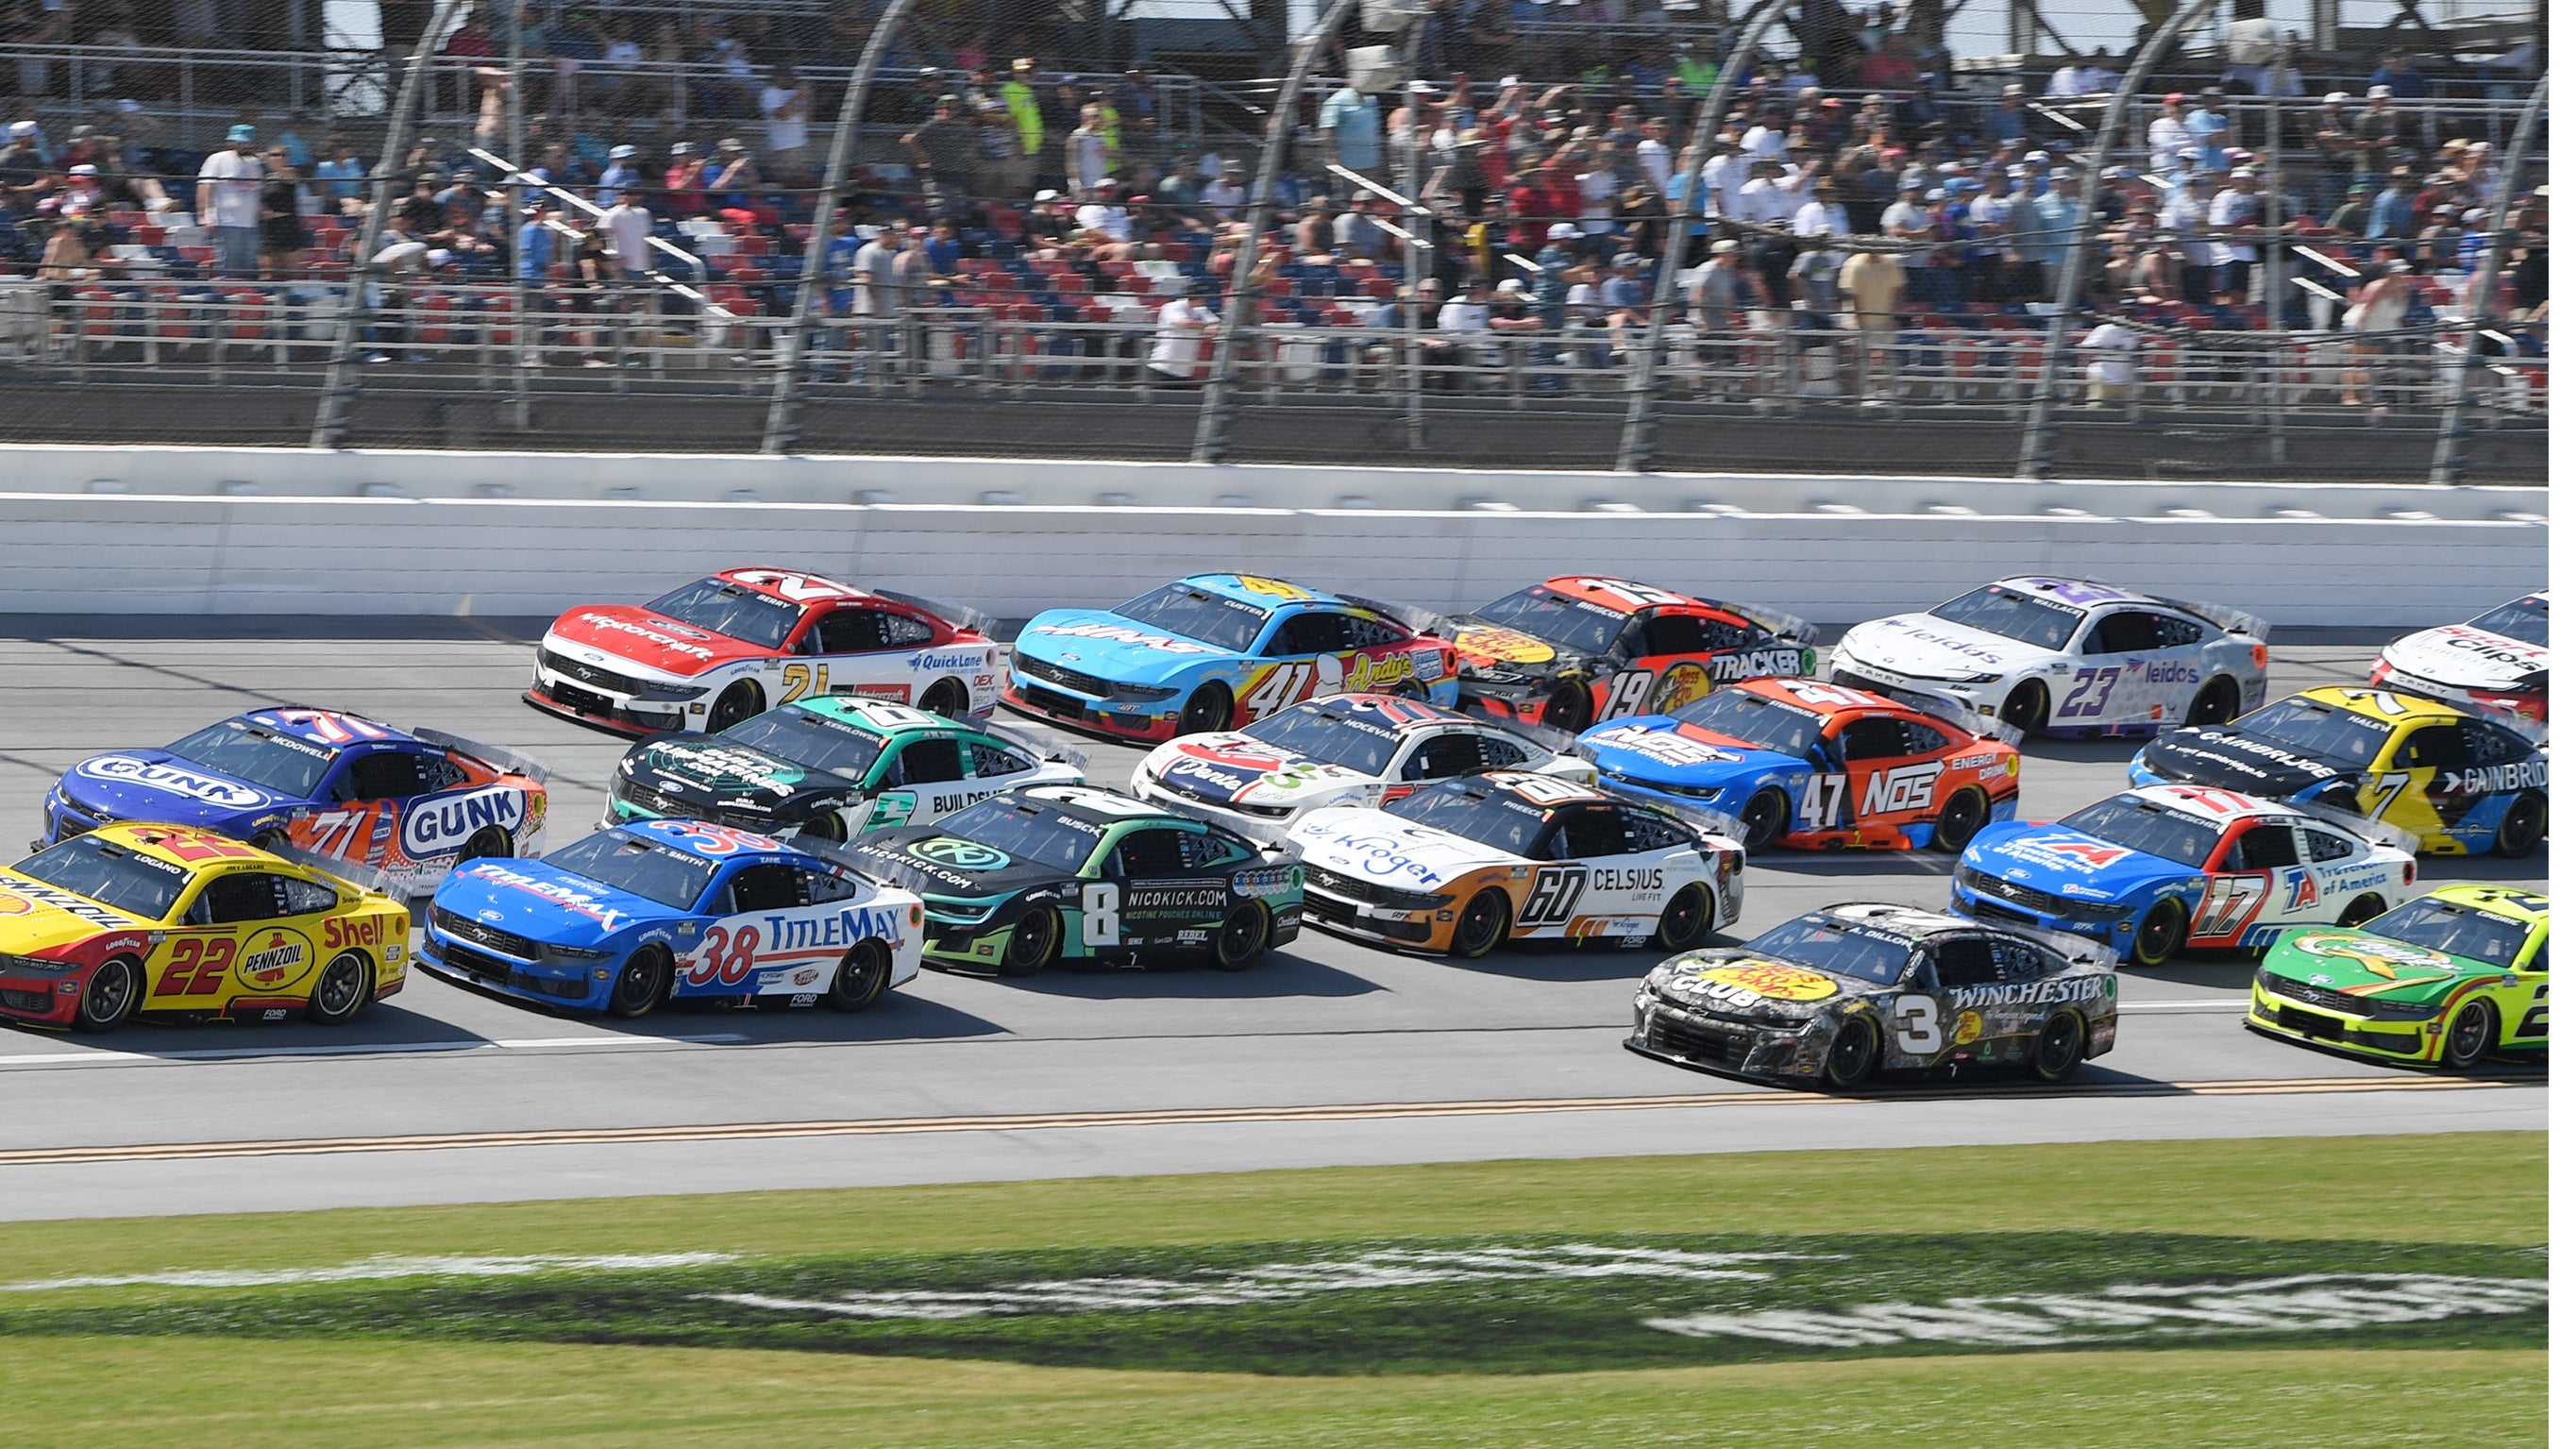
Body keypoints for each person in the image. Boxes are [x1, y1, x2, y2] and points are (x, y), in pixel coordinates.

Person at [2341, 256, 2414, 407]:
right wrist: (2359, 332)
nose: (2402, 276)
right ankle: (2349, 396)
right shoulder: (2377, 287)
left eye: (2403, 272)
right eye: (2398, 272)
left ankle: (2367, 396)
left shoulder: (2403, 290)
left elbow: (2398, 315)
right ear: (2390, 274)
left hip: (2381, 329)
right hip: (2363, 326)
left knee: (2370, 364)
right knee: (2357, 362)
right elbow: (2365, 310)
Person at [197, 123, 265, 278]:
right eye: (238, 142)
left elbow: (258, 189)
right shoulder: (218, 159)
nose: (242, 145)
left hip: (250, 223)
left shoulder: (254, 163)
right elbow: (205, 186)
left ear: (253, 142)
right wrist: (204, 214)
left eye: (245, 142)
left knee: (249, 267)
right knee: (230, 266)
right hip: (226, 221)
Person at [1318, 81, 1382, 192]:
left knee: (1370, 199)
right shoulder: (1337, 100)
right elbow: (1327, 130)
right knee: (1352, 200)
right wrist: (1331, 156)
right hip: (1348, 164)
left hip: (1371, 162)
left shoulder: (1372, 100)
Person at [1147, 282, 1215, 384]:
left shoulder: (1201, 310)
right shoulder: (1173, 306)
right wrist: (1204, 326)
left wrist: (1202, 326)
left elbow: (1215, 326)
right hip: (1162, 367)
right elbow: (1184, 323)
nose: (1205, 299)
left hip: (1184, 371)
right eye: (1203, 296)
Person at [759, 65, 811, 183]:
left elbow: (806, 117)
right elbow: (783, 115)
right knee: (788, 182)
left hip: (800, 144)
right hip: (784, 147)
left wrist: (805, 98)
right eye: (786, 77)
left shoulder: (792, 93)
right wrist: (797, 97)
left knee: (803, 182)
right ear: (778, 78)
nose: (790, 80)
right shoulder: (769, 94)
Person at [2078, 311, 2140, 406]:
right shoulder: (2106, 329)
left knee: (2124, 412)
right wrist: (2109, 352)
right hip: (2104, 375)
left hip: (2125, 378)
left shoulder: (2135, 331)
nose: (2130, 314)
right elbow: (2086, 347)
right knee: (2098, 408)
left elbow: (2134, 348)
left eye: (2133, 310)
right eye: (2126, 310)